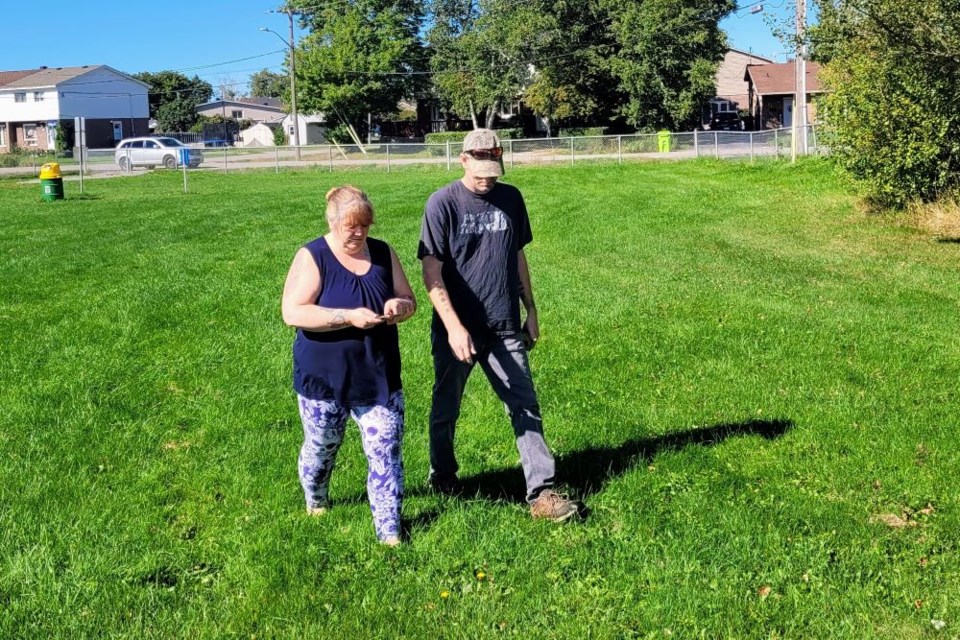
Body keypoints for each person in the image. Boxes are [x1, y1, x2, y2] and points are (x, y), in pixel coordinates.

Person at [418, 128, 578, 522]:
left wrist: (532, 308)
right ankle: (442, 475)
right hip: (458, 328)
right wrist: (454, 327)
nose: (487, 178)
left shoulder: (511, 198)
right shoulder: (442, 204)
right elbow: (431, 272)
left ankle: (541, 492)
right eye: (480, 170)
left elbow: (517, 255)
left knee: (525, 404)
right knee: (446, 406)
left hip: (504, 323)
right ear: (463, 159)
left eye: (494, 170)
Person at [282, 185, 416, 546]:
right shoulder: (313, 256)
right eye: (350, 227)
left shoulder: (384, 253)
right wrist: (346, 317)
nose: (358, 234)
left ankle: (389, 531)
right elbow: (292, 312)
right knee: (323, 445)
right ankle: (317, 496)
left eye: (364, 226)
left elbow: (408, 298)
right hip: (324, 379)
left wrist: (400, 307)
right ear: (332, 221)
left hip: (378, 376)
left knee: (385, 450)